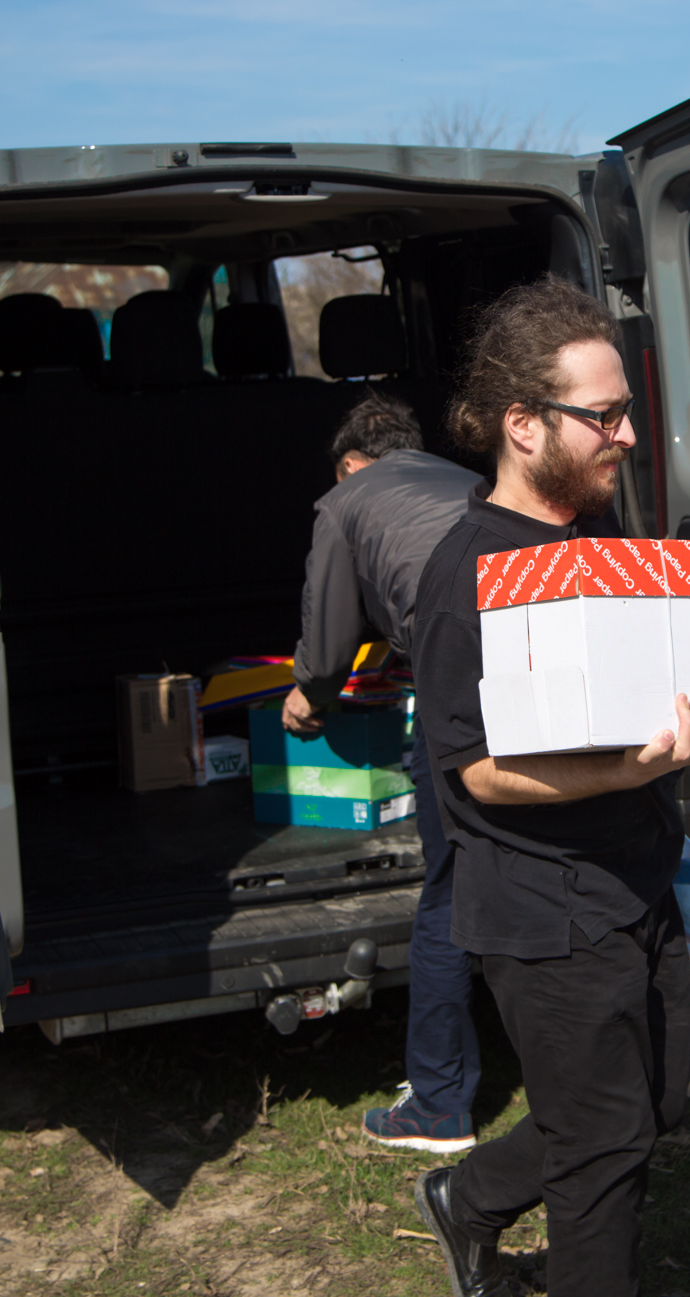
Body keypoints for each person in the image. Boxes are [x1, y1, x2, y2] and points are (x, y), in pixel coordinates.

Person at [408, 278, 690, 1297]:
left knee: (642, 1109)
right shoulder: (472, 573)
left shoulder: (596, 543)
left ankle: (466, 1195)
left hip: (635, 875)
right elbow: (476, 776)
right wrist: (626, 768)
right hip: (543, 912)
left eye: (624, 410)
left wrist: (688, 727)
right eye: (604, 416)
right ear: (522, 425)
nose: (629, 436)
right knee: (604, 1151)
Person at [281, 389, 486, 1154]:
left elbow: (329, 645)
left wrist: (309, 696)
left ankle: (438, 1103)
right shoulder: (464, 481)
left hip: (459, 683)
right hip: (537, 667)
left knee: (448, 890)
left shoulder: (347, 501)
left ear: (349, 466)